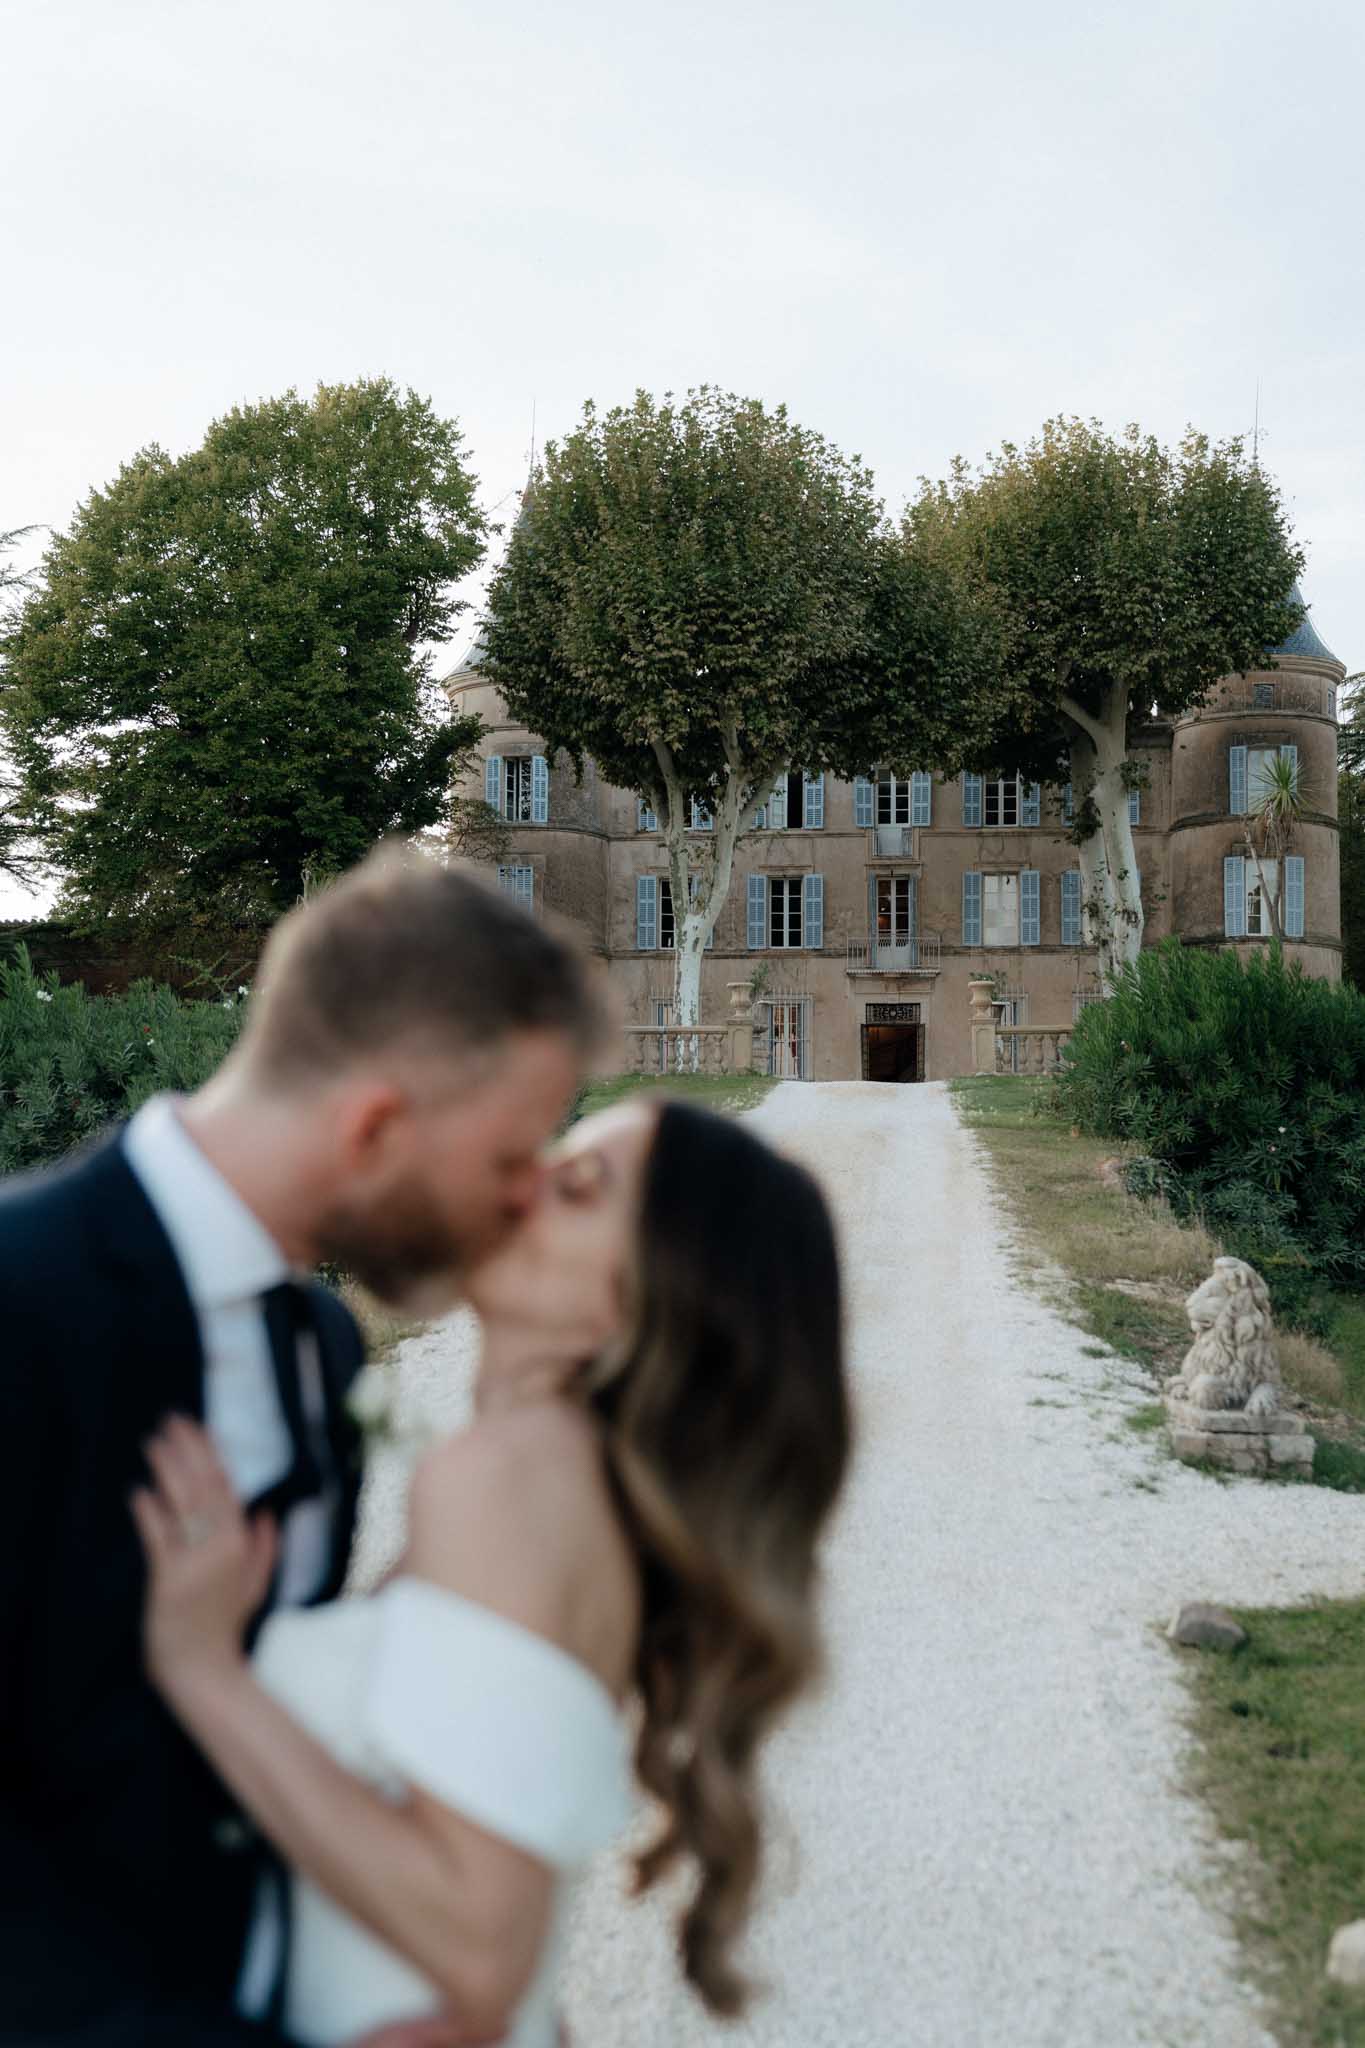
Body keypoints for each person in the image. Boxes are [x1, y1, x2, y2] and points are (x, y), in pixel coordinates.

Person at [0, 848, 602, 2048]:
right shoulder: (21, 1304)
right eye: (504, 1160)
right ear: (376, 1123)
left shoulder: (320, 1345)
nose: (518, 1204)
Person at [133, 1094, 851, 2047]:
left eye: (579, 1186)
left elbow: (479, 1949)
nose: (526, 1180)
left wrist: (204, 1671)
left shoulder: (512, 1480)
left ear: (640, 1297)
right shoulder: (575, 1487)